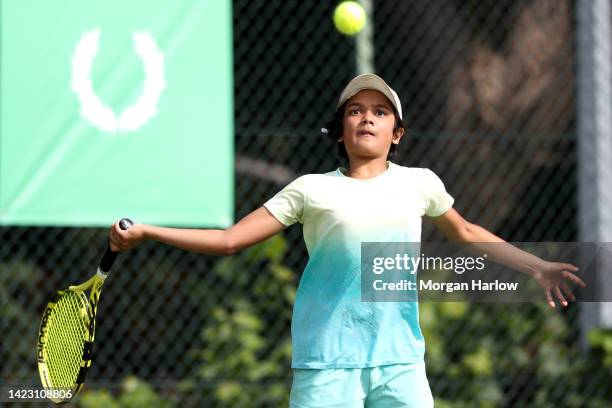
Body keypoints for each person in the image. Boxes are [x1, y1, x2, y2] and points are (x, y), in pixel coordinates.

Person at [109, 74, 586, 407]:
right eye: (355, 111)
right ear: (339, 130)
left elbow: (466, 233)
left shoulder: (420, 182)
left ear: (396, 133)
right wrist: (151, 230)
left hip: (400, 361)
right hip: (327, 362)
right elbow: (232, 240)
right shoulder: (309, 190)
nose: (367, 119)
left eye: (380, 112)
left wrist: (537, 267)